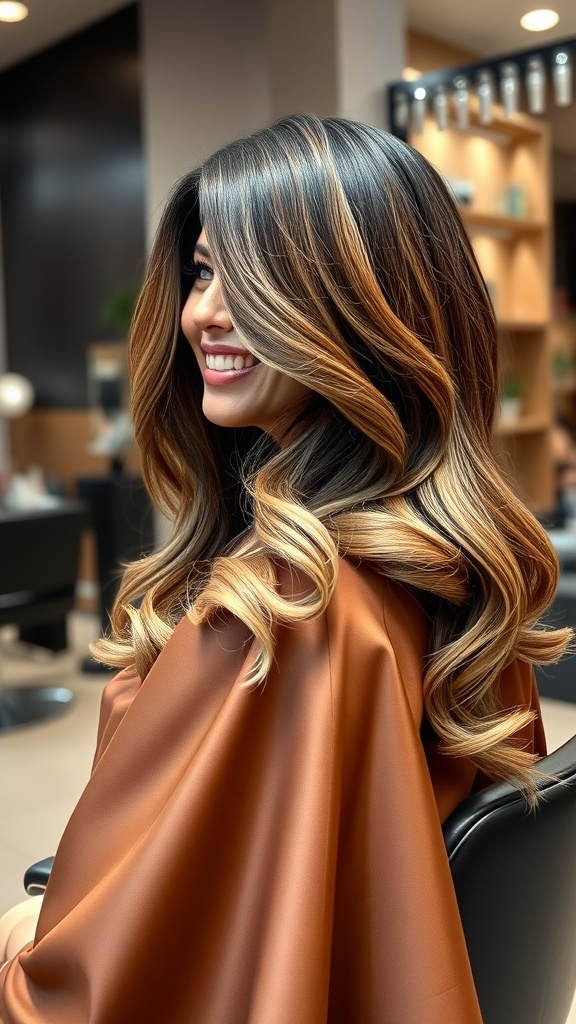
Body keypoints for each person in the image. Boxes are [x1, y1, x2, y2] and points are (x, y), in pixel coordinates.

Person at [0, 114, 569, 1023]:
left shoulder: (283, 613)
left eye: (256, 280)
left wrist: (18, 942)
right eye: (203, 271)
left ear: (362, 303)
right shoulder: (450, 559)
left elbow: (103, 997)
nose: (204, 315)